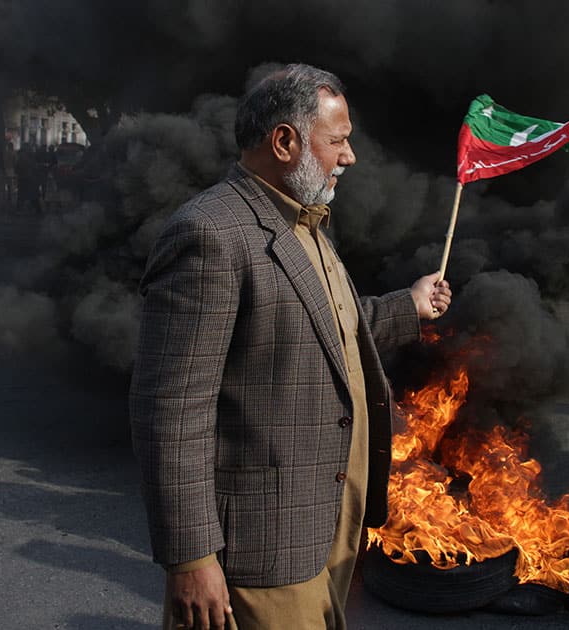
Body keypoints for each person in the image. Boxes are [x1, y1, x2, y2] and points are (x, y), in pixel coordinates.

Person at [129, 63, 452, 630]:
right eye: (338, 141)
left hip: (322, 524)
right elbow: (172, 411)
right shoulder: (210, 234)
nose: (349, 157)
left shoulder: (306, 223)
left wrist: (411, 306)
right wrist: (191, 558)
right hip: (259, 552)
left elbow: (334, 330)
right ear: (285, 142)